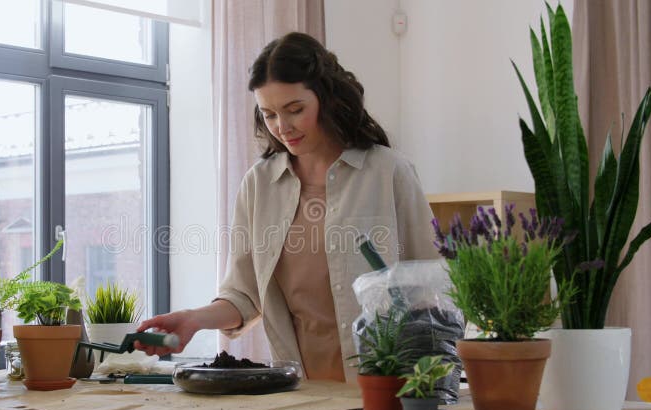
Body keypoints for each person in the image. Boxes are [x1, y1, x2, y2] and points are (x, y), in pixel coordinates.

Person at [135, 32, 437, 382]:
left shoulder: (388, 172)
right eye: (269, 114)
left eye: (295, 110)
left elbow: (430, 283)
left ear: (326, 98)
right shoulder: (259, 185)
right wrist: (192, 320)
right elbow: (244, 296)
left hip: (386, 387)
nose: (282, 128)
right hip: (300, 391)